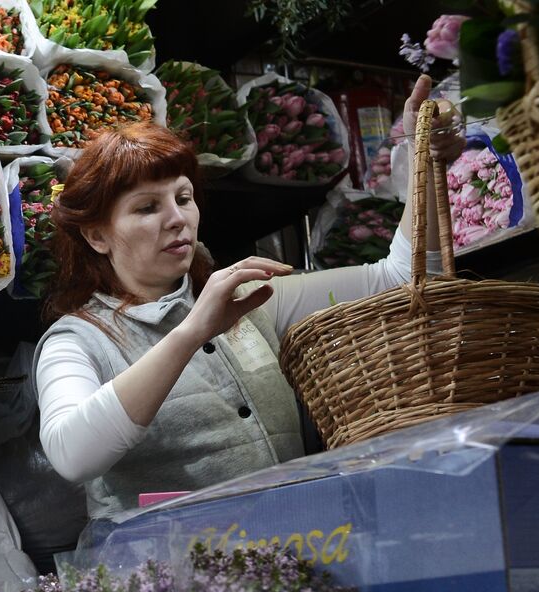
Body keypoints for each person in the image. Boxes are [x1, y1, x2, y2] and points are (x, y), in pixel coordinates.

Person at [35, 75, 465, 523]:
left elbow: (401, 279)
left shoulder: (250, 298)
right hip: (166, 582)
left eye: (183, 198)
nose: (178, 218)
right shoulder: (78, 340)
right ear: (98, 235)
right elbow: (73, 456)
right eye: (147, 208)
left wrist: (425, 164)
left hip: (292, 554)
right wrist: (192, 331)